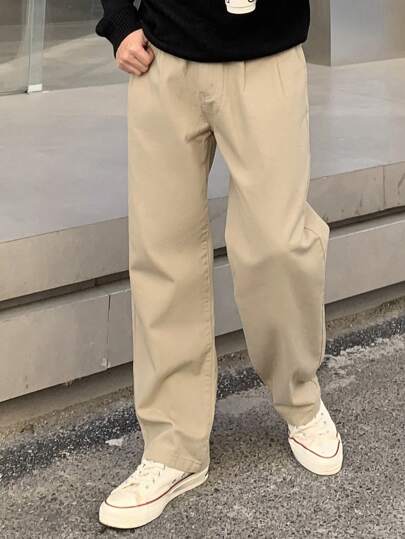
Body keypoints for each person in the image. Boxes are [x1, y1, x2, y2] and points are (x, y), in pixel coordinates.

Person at [95, 0, 343, 530]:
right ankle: (173, 447)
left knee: (279, 245)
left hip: (269, 55)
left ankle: (300, 398)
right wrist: (119, 20)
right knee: (163, 254)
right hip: (164, 58)